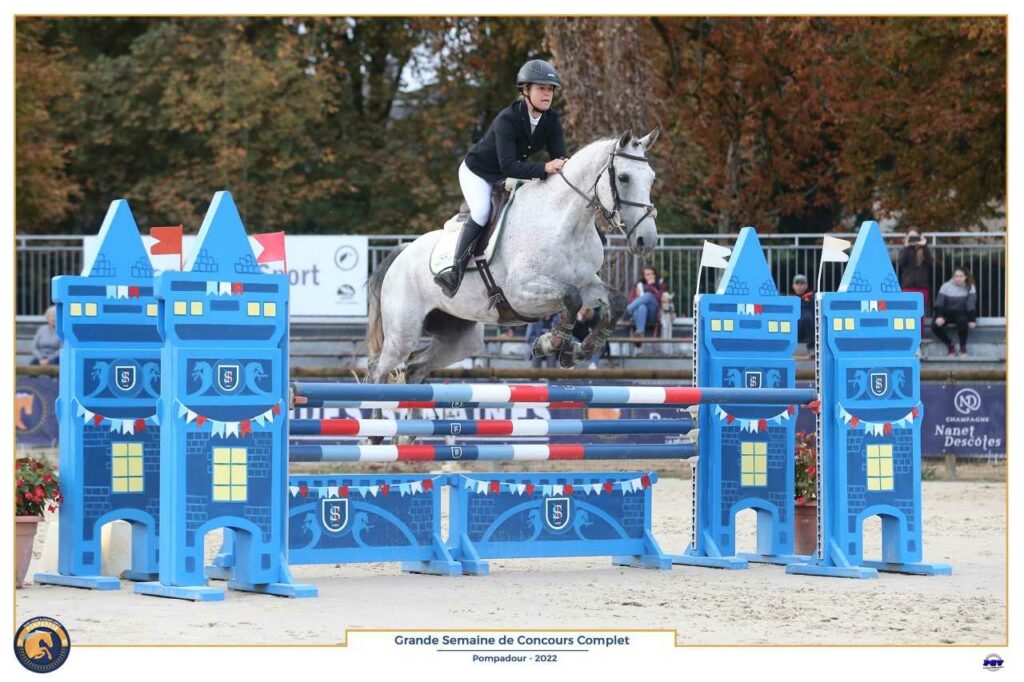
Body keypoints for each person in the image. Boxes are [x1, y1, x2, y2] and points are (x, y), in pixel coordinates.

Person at [434, 59, 568, 298]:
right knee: (483, 211)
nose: (547, 94)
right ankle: (455, 270)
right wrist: (546, 168)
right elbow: (508, 166)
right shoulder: (507, 119)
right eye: (541, 88)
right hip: (478, 172)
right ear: (525, 91)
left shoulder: (551, 120)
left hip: (511, 174)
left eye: (550, 89)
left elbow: (560, 158)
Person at [932, 268, 978, 356]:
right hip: (946, 313)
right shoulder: (946, 286)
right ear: (953, 277)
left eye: (961, 276)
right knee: (935, 326)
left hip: (961, 313)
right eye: (956, 276)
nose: (958, 278)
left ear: (966, 277)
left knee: (963, 321)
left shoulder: (970, 287)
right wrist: (939, 316)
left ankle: (962, 348)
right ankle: (950, 345)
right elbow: (940, 302)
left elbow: (971, 304)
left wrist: (972, 319)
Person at [897, 229, 932, 337]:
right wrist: (906, 246)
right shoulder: (905, 250)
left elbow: (930, 262)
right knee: (906, 314)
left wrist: (924, 246)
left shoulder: (924, 250)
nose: (913, 240)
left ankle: (919, 338)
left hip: (922, 287)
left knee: (919, 314)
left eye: (915, 237)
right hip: (908, 286)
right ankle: (907, 337)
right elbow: (901, 262)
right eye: (911, 237)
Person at [626, 266, 668, 340]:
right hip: (639, 315)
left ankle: (626, 310)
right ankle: (640, 333)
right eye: (648, 274)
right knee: (642, 306)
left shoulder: (661, 286)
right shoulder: (638, 286)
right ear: (644, 276)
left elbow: (658, 298)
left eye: (652, 274)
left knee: (648, 296)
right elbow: (630, 300)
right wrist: (638, 296)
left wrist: (650, 286)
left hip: (652, 314)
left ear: (655, 275)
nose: (651, 276)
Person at [791, 274, 815, 355]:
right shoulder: (790, 299)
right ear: (793, 286)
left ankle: (812, 348)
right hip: (795, 325)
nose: (799, 286)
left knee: (807, 317)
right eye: (797, 284)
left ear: (806, 285)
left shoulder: (813, 297)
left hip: (809, 325)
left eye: (802, 284)